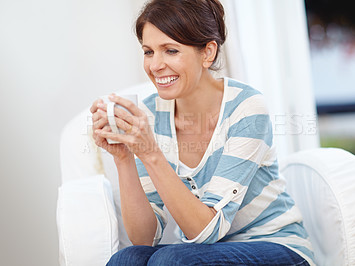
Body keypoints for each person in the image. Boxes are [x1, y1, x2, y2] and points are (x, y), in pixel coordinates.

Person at [90, 0, 315, 265]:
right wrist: (124, 158)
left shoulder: (246, 108)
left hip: (275, 247)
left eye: (171, 50)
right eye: (149, 52)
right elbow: (144, 239)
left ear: (208, 53)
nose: (155, 65)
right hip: (205, 253)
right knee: (127, 259)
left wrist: (150, 153)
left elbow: (205, 231)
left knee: (171, 259)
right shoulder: (151, 115)